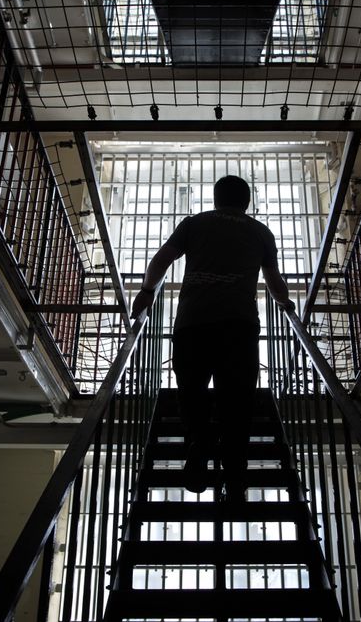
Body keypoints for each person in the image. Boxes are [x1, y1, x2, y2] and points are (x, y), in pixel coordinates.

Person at [130, 175, 293, 503]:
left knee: (191, 391)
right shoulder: (261, 232)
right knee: (237, 400)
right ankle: (234, 477)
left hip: (194, 322)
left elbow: (162, 259)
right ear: (246, 202)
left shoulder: (194, 224)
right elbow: (274, 281)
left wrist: (147, 292)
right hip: (240, 324)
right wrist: (285, 304)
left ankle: (200, 441)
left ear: (216, 198)